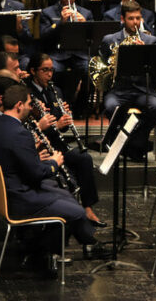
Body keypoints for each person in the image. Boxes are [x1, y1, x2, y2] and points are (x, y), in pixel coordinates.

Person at [0, 84, 101, 267]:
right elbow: (36, 174)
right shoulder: (19, 132)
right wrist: (54, 163)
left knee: (64, 193)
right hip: (19, 199)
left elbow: (14, 160)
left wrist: (33, 154)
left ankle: (49, 251)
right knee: (76, 212)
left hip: (6, 193)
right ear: (19, 105)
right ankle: (47, 250)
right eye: (29, 104)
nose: (31, 108)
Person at [25, 53, 105, 227]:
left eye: (51, 70)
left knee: (85, 158)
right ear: (33, 71)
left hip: (58, 144)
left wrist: (66, 119)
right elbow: (29, 126)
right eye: (45, 70)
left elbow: (61, 125)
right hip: (41, 148)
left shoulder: (55, 90)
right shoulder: (27, 94)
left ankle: (88, 208)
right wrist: (56, 124)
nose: (49, 74)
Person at [100, 1, 156, 161]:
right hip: (119, 89)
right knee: (111, 107)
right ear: (122, 19)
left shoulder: (150, 40)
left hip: (143, 89)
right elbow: (103, 66)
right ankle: (129, 145)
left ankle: (133, 143)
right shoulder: (109, 40)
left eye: (138, 18)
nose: (135, 22)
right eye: (131, 18)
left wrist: (144, 54)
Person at [39, 0, 93, 81]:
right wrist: (60, 23)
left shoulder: (86, 13)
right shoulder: (47, 12)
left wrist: (85, 25)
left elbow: (93, 39)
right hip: (57, 55)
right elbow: (44, 37)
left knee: (91, 70)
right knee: (52, 70)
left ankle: (82, 92)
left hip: (80, 55)